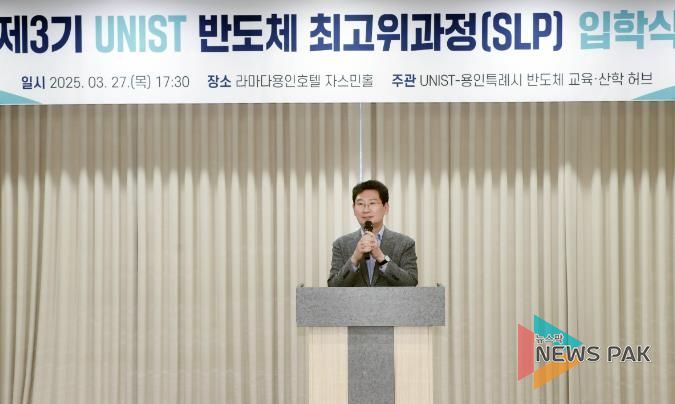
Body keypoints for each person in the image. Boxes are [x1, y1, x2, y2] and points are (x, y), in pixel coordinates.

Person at [327, 180, 418, 287]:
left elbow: (411, 282)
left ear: (385, 208)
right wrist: (354, 259)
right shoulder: (340, 244)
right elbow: (333, 286)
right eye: (360, 204)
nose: (366, 209)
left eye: (372, 203)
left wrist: (382, 258)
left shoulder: (405, 244)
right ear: (354, 208)